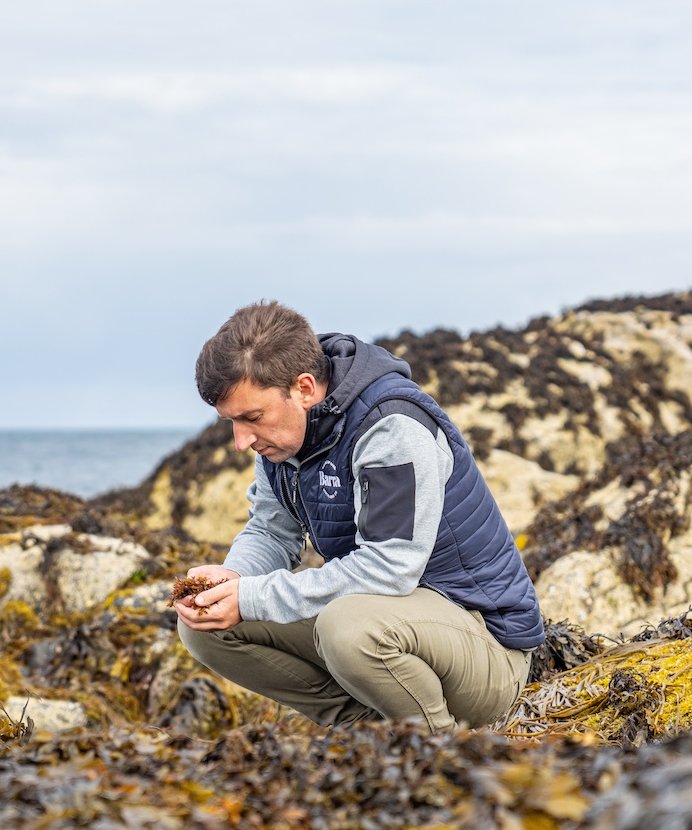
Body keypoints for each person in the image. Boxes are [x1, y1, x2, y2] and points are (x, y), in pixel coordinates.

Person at [175, 300, 545, 731]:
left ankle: (441, 754)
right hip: (394, 626)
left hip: (487, 650)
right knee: (207, 627)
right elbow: (271, 532)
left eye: (252, 418)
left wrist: (254, 597)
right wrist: (233, 580)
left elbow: (390, 568)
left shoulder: (390, 427)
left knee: (346, 628)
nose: (241, 440)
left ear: (305, 388)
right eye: (231, 422)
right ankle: (365, 736)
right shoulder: (281, 439)